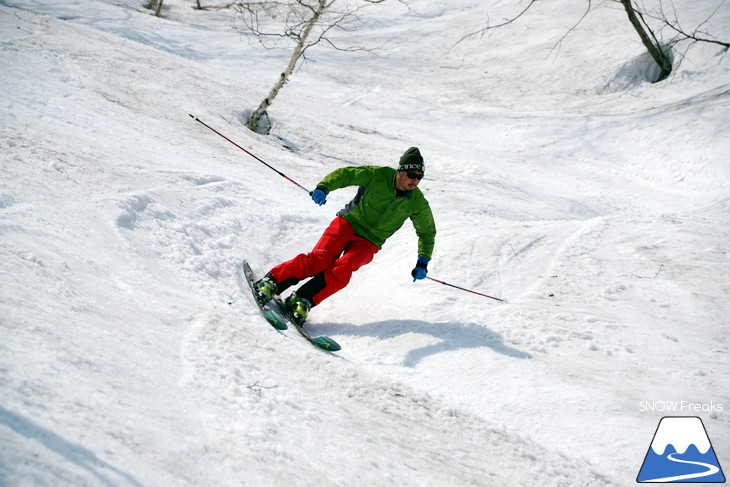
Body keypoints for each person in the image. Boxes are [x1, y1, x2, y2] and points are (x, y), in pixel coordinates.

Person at [255, 147, 436, 324]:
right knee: (320, 260)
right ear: (400, 171)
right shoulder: (378, 175)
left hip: (370, 242)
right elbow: (346, 174)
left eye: (420, 176)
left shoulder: (417, 202)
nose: (416, 180)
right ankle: (272, 282)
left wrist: (423, 261)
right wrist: (324, 187)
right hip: (348, 223)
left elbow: (426, 232)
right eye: (412, 175)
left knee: (343, 270)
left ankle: (302, 300)